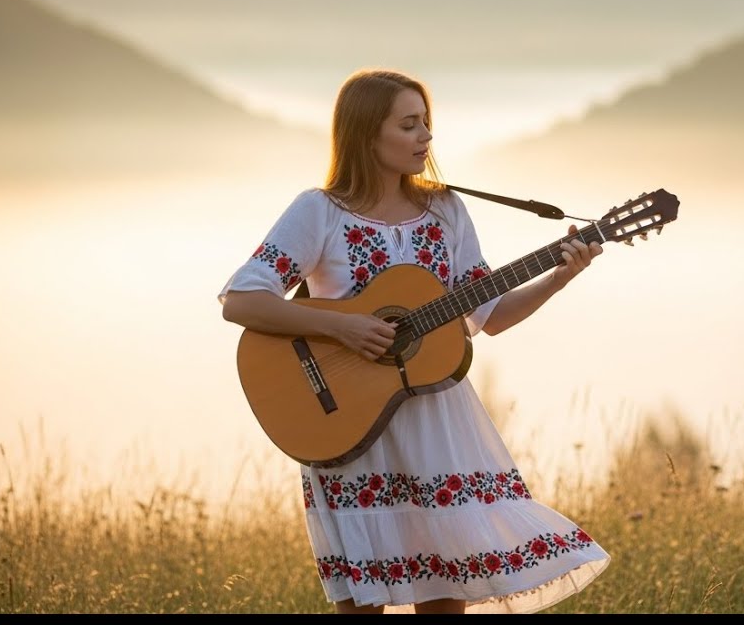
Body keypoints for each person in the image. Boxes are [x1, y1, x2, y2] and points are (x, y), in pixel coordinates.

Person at [218, 69, 610, 614]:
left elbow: (489, 315)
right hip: (346, 419)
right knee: (361, 606)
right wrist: (343, 326)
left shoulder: (445, 210)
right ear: (365, 135)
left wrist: (561, 275)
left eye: (426, 123)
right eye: (408, 125)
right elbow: (241, 299)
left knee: (448, 596)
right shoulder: (319, 211)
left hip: (436, 424)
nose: (425, 137)